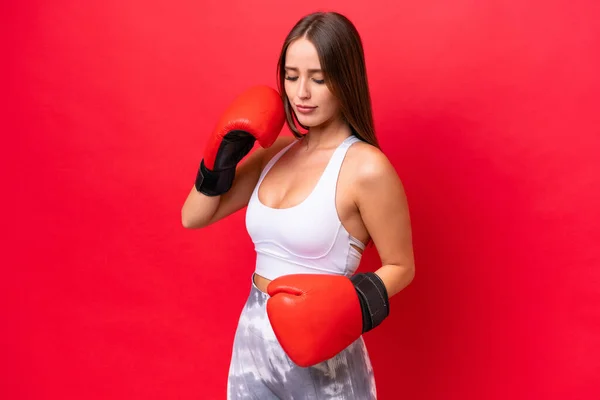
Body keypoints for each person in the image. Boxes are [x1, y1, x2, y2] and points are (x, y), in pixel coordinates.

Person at [181, 11, 415, 400]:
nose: (301, 92)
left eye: (318, 79)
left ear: (346, 80)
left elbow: (402, 265)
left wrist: (349, 304)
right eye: (291, 77)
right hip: (254, 337)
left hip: (323, 350)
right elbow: (194, 216)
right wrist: (218, 161)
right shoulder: (275, 152)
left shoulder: (366, 168)